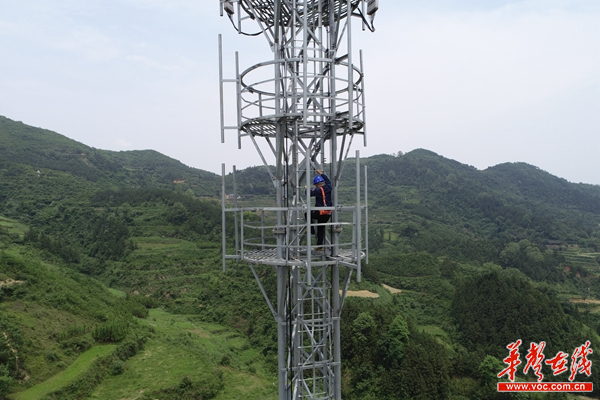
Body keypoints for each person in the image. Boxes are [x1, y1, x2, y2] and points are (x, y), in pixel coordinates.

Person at [310, 169, 332, 250]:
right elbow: (328, 180)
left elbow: (309, 193)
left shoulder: (317, 190)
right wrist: (322, 173)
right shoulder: (329, 187)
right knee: (321, 228)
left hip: (320, 213)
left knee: (307, 214)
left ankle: (311, 229)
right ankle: (320, 245)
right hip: (328, 213)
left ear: (317, 184)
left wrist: (306, 189)